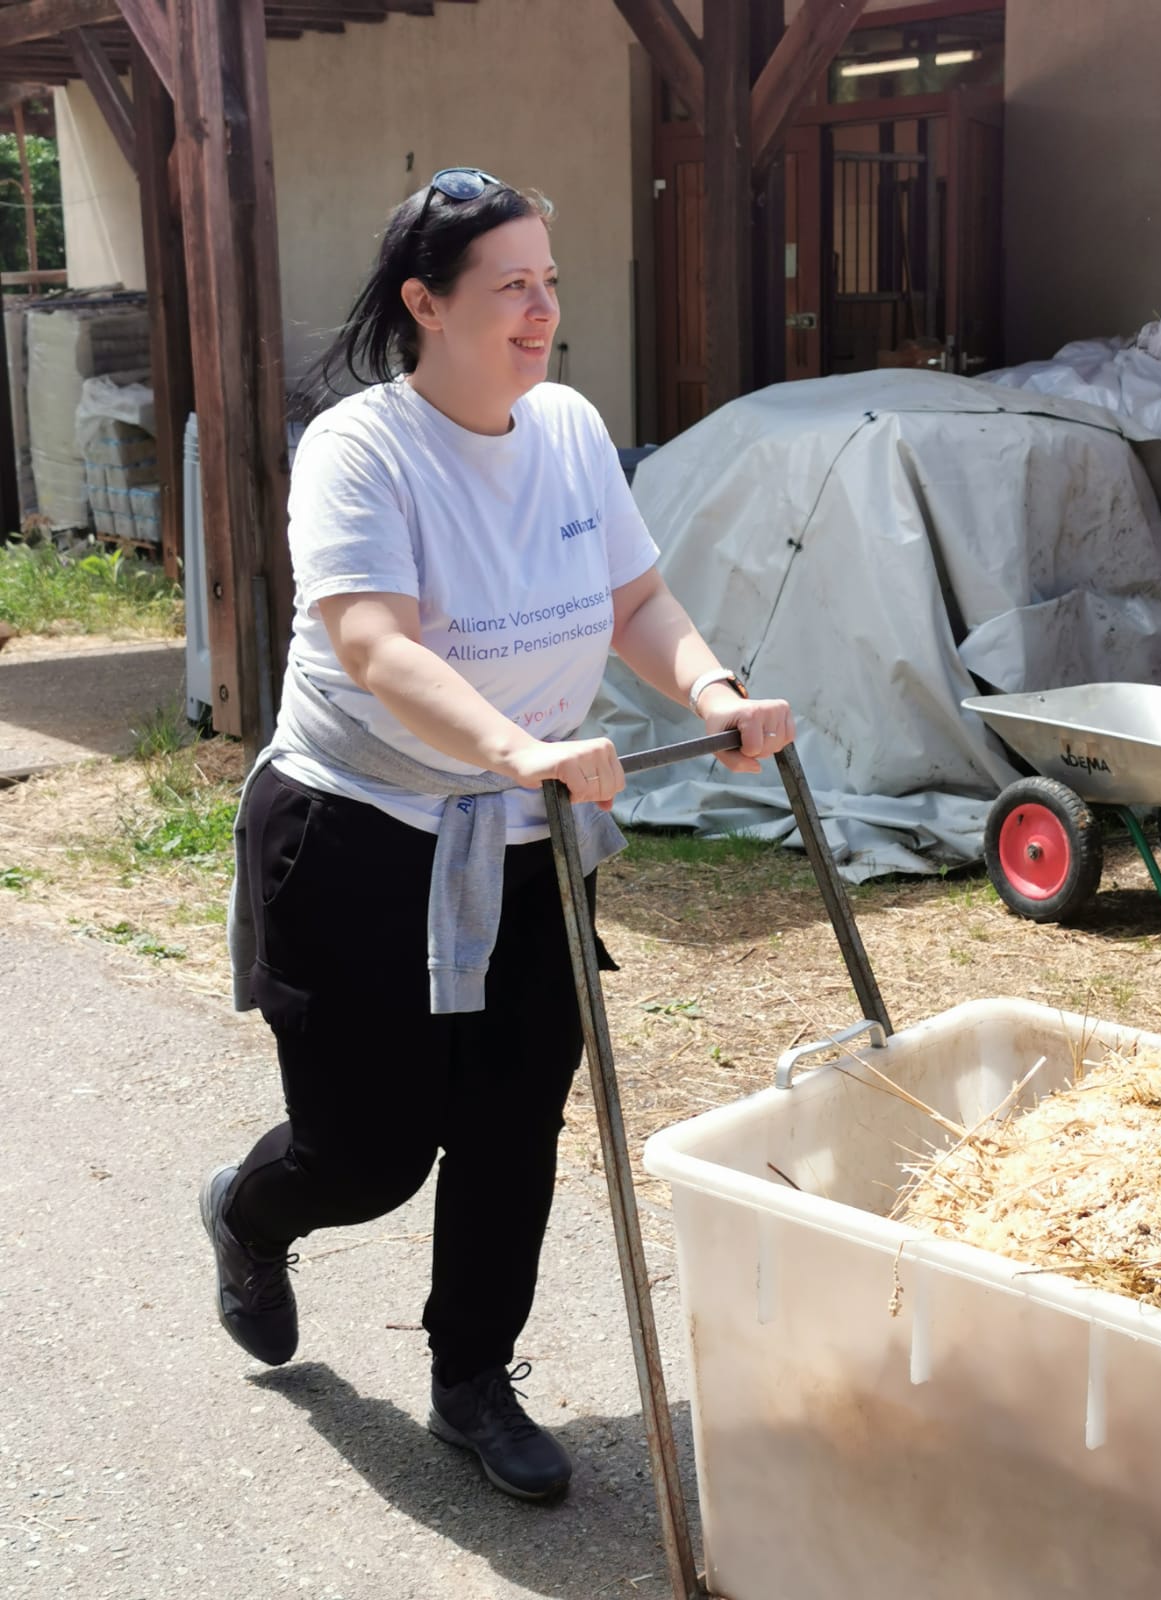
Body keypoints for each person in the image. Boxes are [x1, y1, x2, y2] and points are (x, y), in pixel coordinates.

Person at [200, 167, 795, 1503]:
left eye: (550, 284)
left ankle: (472, 1378)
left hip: (526, 838)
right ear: (427, 303)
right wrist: (518, 746)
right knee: (368, 1152)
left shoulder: (571, 428)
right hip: (362, 838)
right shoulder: (363, 447)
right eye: (509, 289)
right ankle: (249, 1212)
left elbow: (636, 597)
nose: (541, 314)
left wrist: (709, 687)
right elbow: (370, 642)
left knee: (516, 1119)